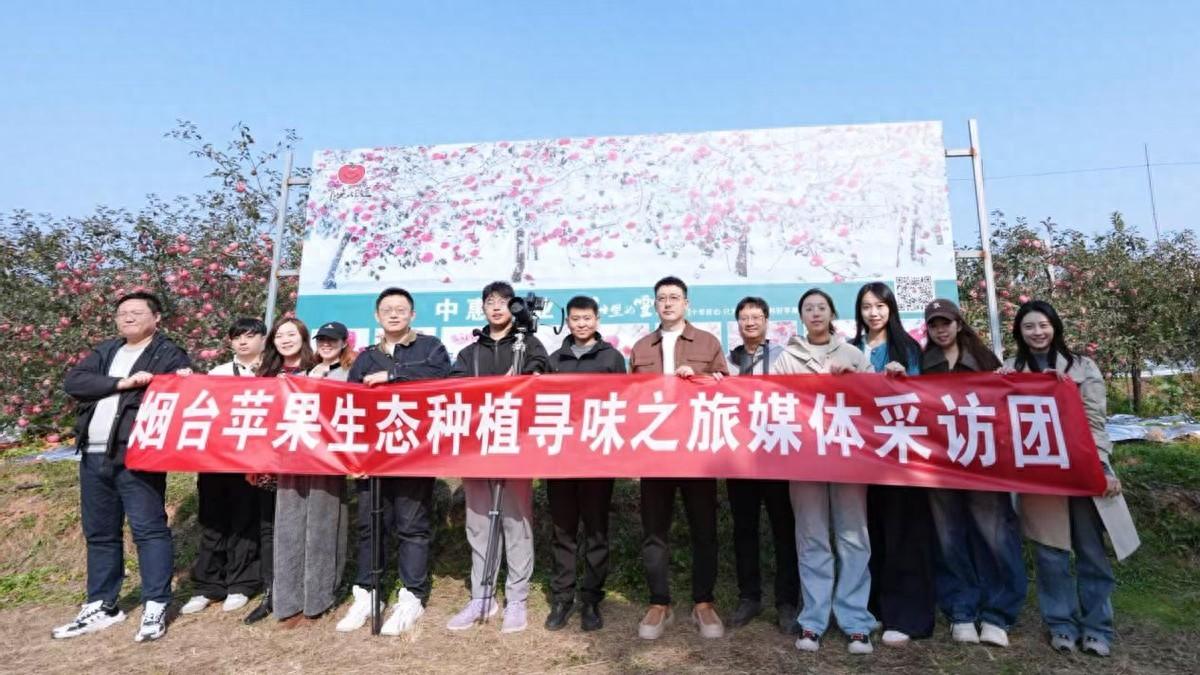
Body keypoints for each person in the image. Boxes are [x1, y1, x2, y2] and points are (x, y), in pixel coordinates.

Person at [1001, 300, 1139, 657]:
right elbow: (1000, 423)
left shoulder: (1081, 367)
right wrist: (1000, 385)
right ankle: (1060, 624)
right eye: (1029, 326)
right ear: (1019, 332)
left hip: (1081, 471)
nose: (1037, 332)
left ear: (1055, 327)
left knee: (1091, 552)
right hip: (1040, 476)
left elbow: (1095, 421)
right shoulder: (1010, 369)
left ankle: (1097, 628)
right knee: (1050, 553)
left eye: (1043, 325)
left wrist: (1101, 466)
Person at [53, 291, 191, 642]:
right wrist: (123, 383)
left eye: (136, 312)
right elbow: (75, 382)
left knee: (149, 530)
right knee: (100, 533)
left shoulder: (167, 353)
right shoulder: (107, 351)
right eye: (122, 312)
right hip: (94, 454)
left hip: (137, 455)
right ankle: (101, 603)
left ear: (156, 318)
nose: (127, 317)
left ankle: (156, 603)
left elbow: (176, 392)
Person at [338, 287, 451, 635]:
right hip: (373, 455)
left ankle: (412, 594)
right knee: (371, 524)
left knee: (412, 525)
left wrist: (395, 375)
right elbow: (351, 406)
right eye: (387, 309)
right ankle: (368, 592)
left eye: (401, 309)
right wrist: (354, 456)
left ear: (412, 315)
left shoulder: (431, 348)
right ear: (377, 316)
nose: (394, 314)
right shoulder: (366, 357)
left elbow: (442, 378)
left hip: (414, 454)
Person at [775, 288, 876, 655]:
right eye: (808, 308)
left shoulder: (853, 354)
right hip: (803, 459)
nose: (815, 313)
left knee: (853, 537)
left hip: (849, 458)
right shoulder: (787, 358)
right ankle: (813, 619)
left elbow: (876, 401)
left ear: (832, 314)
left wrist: (855, 380)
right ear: (801, 316)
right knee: (811, 536)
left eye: (821, 307)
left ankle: (856, 620)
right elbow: (773, 402)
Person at [445, 281, 549, 633]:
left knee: (516, 521)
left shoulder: (529, 345)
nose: (496, 307)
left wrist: (523, 379)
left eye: (503, 301)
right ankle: (482, 596)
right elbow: (455, 389)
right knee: (478, 523)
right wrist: (491, 388)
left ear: (514, 307)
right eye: (490, 301)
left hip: (516, 444)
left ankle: (516, 598)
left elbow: (541, 379)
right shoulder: (470, 353)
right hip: (477, 447)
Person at [920, 299, 1026, 647]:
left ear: (959, 323)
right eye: (934, 324)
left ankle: (998, 613)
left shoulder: (984, 359)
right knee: (948, 537)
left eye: (946, 323)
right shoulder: (923, 363)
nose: (941, 330)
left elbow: (1006, 404)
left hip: (983, 463)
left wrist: (1007, 382)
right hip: (939, 465)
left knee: (994, 534)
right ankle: (961, 610)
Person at [629, 276, 729, 640]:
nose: (668, 303)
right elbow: (628, 399)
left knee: (704, 528)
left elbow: (726, 389)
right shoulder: (641, 347)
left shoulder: (707, 342)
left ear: (687, 303)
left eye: (674, 297)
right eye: (662, 298)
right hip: (655, 453)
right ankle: (660, 603)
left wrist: (702, 378)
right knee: (654, 530)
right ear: (655, 305)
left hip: (698, 452)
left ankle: (703, 602)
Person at [851, 281, 936, 646]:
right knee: (869, 533)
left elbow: (922, 400)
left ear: (891, 309)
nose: (873, 313)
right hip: (858, 457)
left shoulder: (908, 348)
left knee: (903, 532)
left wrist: (902, 380)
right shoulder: (850, 348)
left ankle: (906, 616)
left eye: (880, 306)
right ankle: (873, 608)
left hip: (899, 456)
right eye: (866, 306)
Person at [543, 295, 627, 632]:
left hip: (597, 457)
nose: (581, 324)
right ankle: (562, 598)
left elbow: (624, 403)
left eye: (587, 318)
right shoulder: (554, 360)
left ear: (597, 320)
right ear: (568, 321)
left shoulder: (612, 358)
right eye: (576, 319)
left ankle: (591, 598)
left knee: (596, 530)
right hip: (560, 458)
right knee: (562, 531)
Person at [180, 318, 267, 617]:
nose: (243, 342)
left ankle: (241, 583)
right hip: (216, 458)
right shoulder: (217, 373)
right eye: (237, 337)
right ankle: (208, 585)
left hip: (253, 458)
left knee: (245, 521)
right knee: (212, 520)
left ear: (263, 339)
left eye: (250, 336)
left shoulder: (273, 372)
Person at [723, 296, 799, 633]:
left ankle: (787, 601)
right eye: (744, 317)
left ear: (767, 321)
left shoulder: (784, 356)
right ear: (737, 323)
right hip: (739, 457)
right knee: (744, 528)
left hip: (778, 455)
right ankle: (749, 597)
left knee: (784, 529)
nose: (750, 322)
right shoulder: (728, 361)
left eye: (756, 316)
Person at [273, 321, 353, 626]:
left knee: (322, 527)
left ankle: (318, 598)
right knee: (289, 527)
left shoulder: (351, 372)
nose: (326, 345)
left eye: (332, 340)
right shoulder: (303, 373)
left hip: (329, 460)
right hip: (293, 456)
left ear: (344, 343)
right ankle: (287, 601)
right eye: (322, 340)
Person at [244, 317, 316, 624]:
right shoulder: (264, 374)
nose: (286, 340)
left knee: (305, 525)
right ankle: (272, 592)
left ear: (303, 337)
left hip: (310, 460)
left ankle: (306, 589)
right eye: (280, 335)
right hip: (271, 461)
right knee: (270, 527)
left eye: (291, 334)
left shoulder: (318, 369)